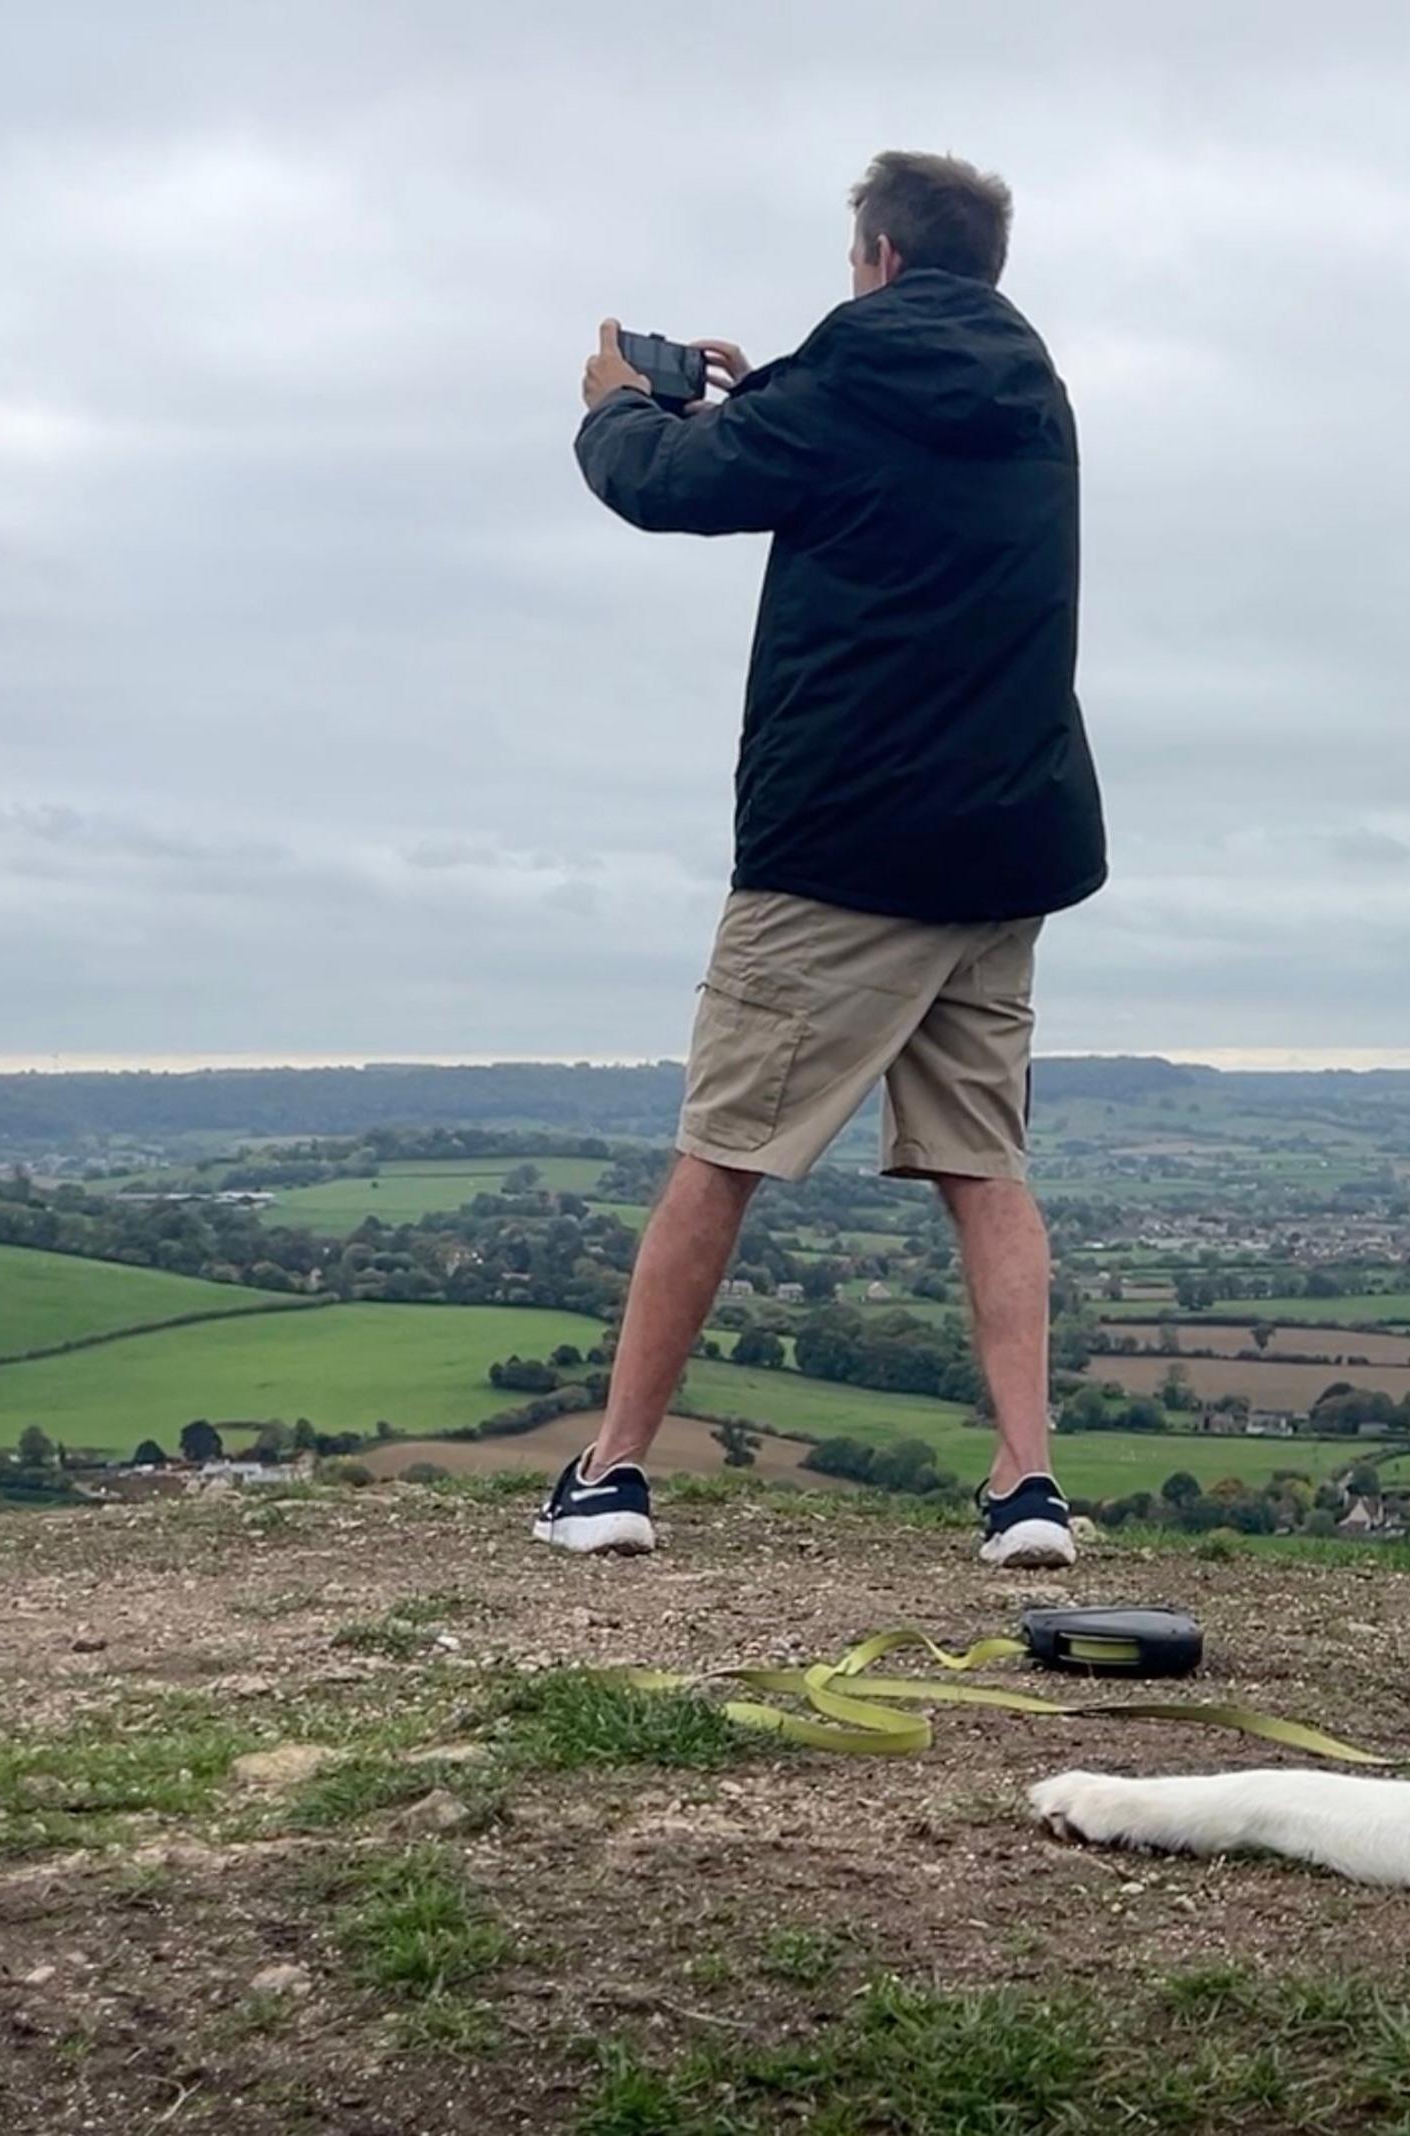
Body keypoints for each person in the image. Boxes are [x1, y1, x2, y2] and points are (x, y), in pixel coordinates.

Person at [541, 151, 1102, 1568]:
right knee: (986, 1165)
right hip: (1004, 845)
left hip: (843, 847)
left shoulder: (857, 385)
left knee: (723, 1151)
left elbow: (670, 487)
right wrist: (776, 382)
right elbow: (869, 440)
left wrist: (616, 409)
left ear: (882, 258)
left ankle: (611, 1476)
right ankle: (1027, 1486)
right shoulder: (1029, 388)